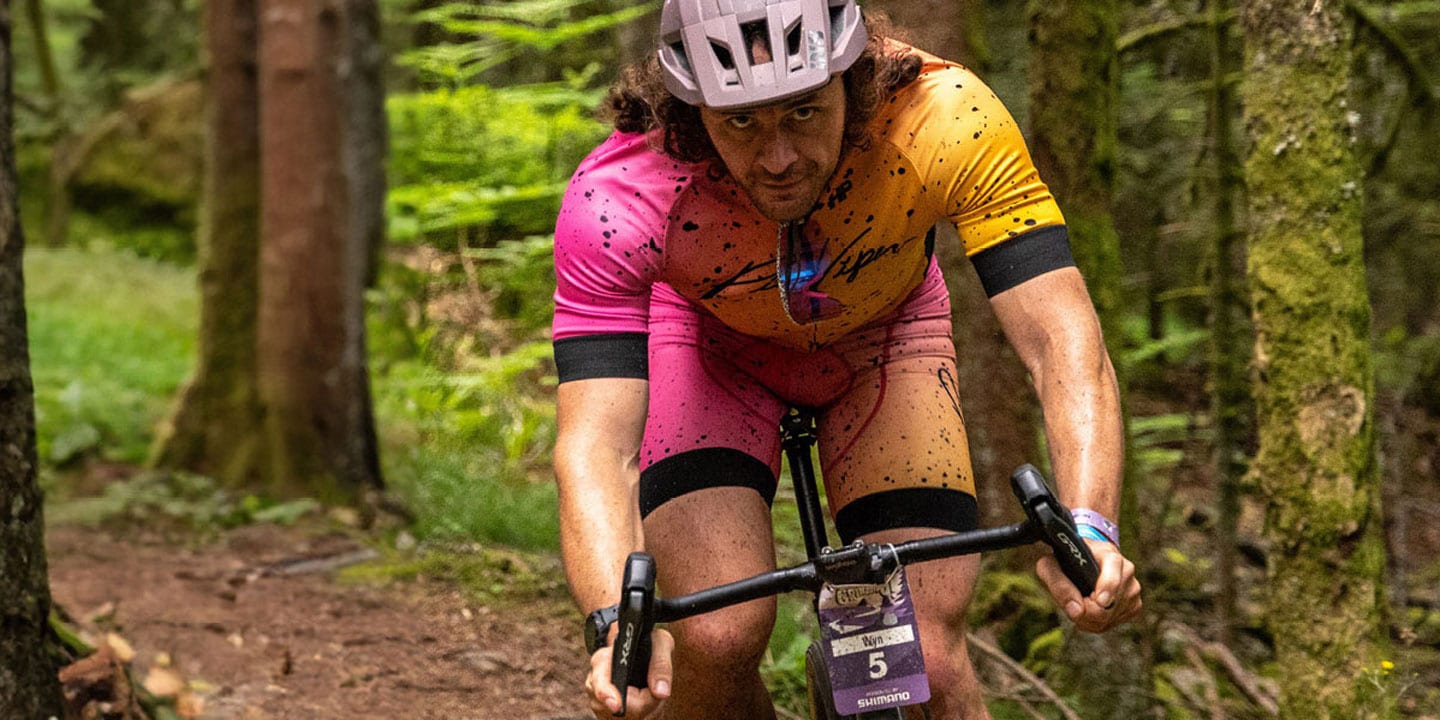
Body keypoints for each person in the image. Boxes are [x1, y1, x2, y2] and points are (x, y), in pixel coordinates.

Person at [551, 1, 1142, 717]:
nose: (778, 157)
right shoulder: (619, 194)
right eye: (740, 121)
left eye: (803, 111)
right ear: (689, 109)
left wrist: (1091, 528)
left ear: (851, 78)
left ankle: (868, 678)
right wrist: (615, 622)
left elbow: (1061, 338)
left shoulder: (944, 118)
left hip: (885, 342)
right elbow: (596, 443)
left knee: (922, 653)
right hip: (710, 352)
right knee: (714, 636)